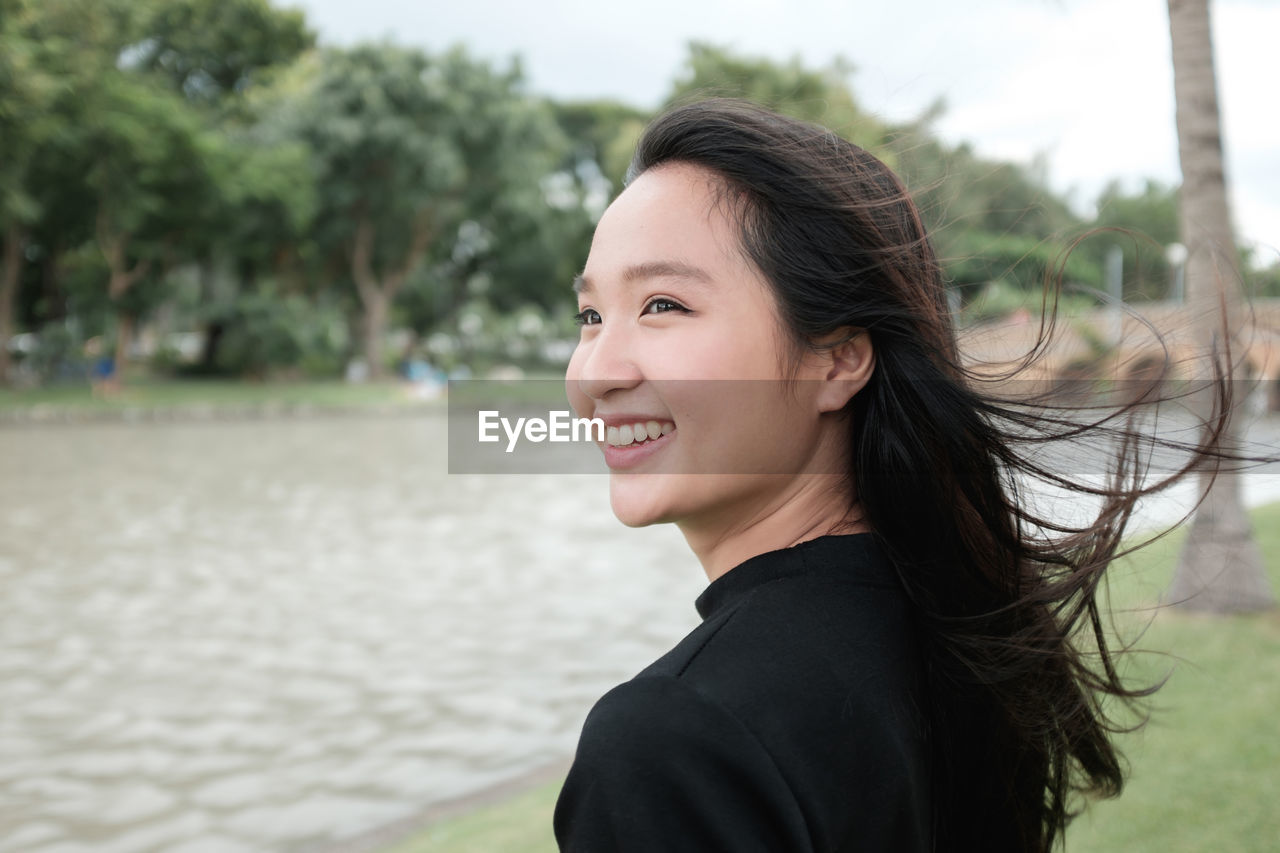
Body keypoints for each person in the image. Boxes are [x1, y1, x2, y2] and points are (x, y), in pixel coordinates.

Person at [553, 99, 1234, 852]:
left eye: (662, 305)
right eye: (589, 317)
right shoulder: (958, 630)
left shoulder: (678, 739)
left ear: (839, 357)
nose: (595, 371)